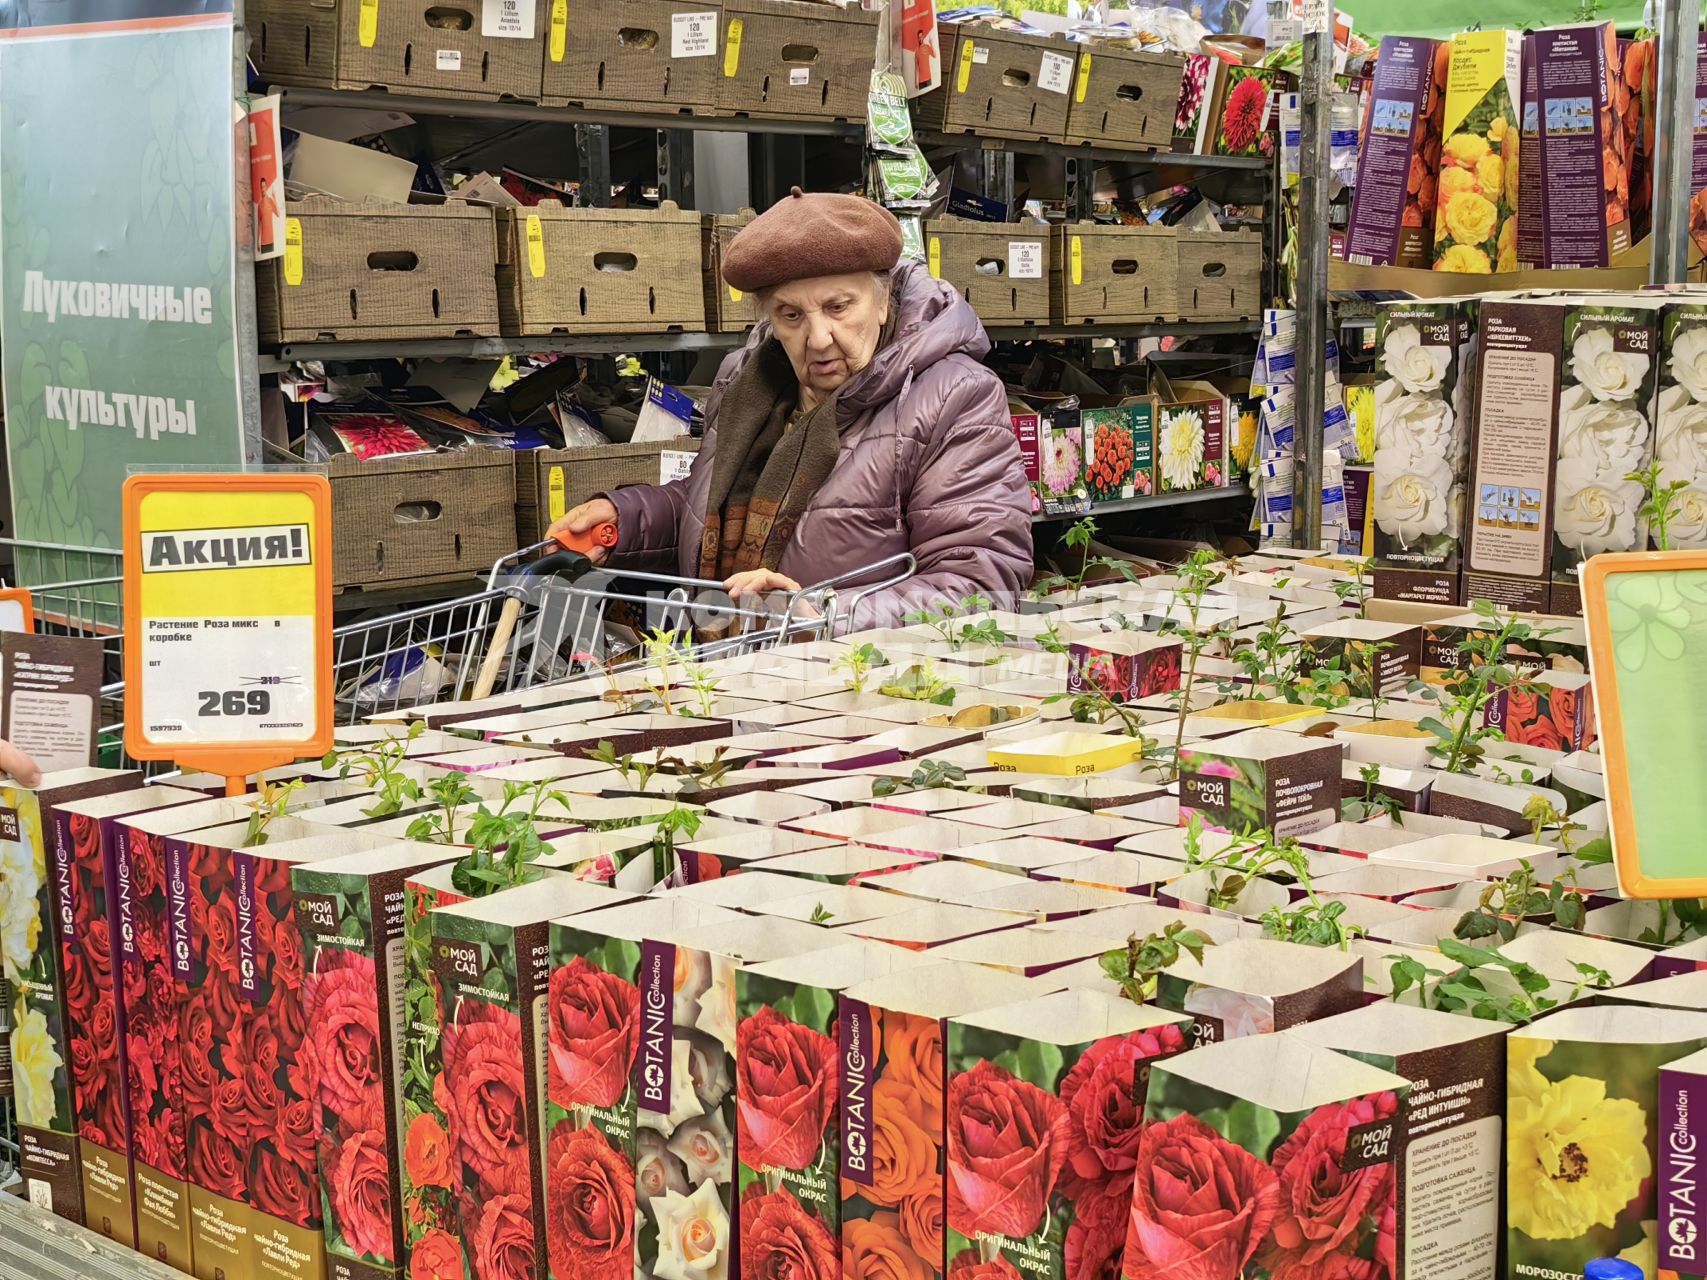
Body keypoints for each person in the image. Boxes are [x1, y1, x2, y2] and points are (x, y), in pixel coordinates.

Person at [550, 188, 1032, 628]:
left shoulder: (952, 395)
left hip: (864, 693)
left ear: (883, 301)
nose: (819, 339)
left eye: (839, 307)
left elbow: (982, 581)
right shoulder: (749, 384)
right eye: (792, 315)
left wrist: (824, 613)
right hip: (739, 674)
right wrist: (625, 520)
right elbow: (714, 504)